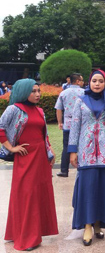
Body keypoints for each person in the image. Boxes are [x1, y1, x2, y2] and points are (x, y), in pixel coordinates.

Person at [68, 70, 105, 246]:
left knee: (104, 188)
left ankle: (98, 223)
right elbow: (75, 126)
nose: (97, 84)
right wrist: (72, 150)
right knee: (88, 187)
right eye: (94, 80)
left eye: (101, 81)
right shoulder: (81, 101)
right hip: (86, 152)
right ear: (89, 82)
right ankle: (87, 225)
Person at [0, 79, 57, 251]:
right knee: (26, 196)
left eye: (38, 91)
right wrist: (11, 147)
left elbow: (43, 133)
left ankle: (22, 232)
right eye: (33, 91)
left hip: (40, 158)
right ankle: (27, 238)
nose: (38, 94)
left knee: (38, 195)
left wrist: (50, 150)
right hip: (25, 158)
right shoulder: (14, 109)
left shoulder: (39, 110)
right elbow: (0, 127)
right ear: (24, 91)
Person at [54, 73, 85, 178]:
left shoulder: (64, 93)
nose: (82, 82)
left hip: (68, 124)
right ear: (77, 81)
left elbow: (58, 108)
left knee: (66, 147)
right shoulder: (84, 92)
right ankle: (81, 169)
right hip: (82, 124)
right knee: (82, 146)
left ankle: (64, 170)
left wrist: (59, 122)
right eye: (81, 80)